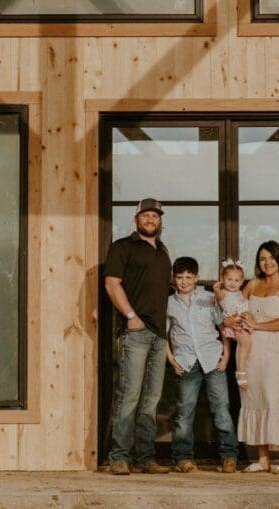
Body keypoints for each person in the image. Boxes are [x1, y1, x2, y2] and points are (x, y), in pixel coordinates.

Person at [103, 197, 173, 475]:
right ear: (136, 219)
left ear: (160, 221)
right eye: (146, 215)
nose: (151, 220)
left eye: (155, 216)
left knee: (151, 399)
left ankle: (145, 458)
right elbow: (111, 285)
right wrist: (131, 317)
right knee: (129, 395)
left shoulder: (163, 251)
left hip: (159, 334)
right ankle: (119, 456)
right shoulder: (123, 247)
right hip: (136, 333)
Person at [231, 240, 279, 475]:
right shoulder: (252, 284)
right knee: (253, 399)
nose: (267, 262)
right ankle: (262, 459)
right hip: (248, 350)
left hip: (273, 348)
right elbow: (235, 307)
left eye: (271, 257)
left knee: (272, 398)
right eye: (262, 258)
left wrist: (256, 324)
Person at [165, 256, 239, 473]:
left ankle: (229, 455)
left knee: (221, 408)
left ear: (196, 278)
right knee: (184, 411)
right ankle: (183, 457)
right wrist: (171, 360)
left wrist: (226, 356)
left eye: (189, 277)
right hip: (186, 362)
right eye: (180, 277)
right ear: (173, 279)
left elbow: (223, 326)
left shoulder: (208, 299)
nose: (184, 281)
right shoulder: (169, 304)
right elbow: (164, 334)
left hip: (213, 359)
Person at [214, 259, 253, 389]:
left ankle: (244, 370)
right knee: (246, 342)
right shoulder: (223, 293)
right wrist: (216, 289)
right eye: (229, 279)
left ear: (242, 282)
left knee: (247, 345)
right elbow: (219, 298)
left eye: (237, 281)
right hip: (233, 324)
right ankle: (241, 373)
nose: (232, 283)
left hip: (242, 322)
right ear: (222, 279)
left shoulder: (240, 294)